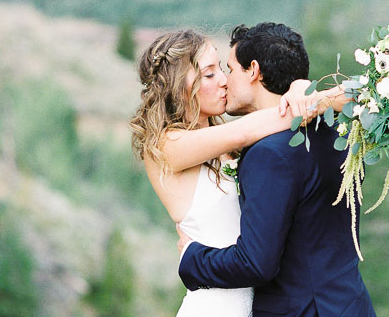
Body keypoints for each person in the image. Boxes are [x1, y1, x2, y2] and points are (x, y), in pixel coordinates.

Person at [177, 22, 376, 316]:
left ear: (254, 70)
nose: (225, 81)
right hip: (352, 305)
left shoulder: (269, 155)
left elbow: (256, 264)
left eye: (231, 70)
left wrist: (192, 258)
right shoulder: (337, 132)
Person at [130, 28, 329, 316]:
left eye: (222, 69)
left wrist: (299, 87)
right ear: (177, 85)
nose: (224, 80)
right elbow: (245, 131)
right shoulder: (165, 146)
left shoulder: (222, 138)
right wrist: (318, 101)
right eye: (209, 74)